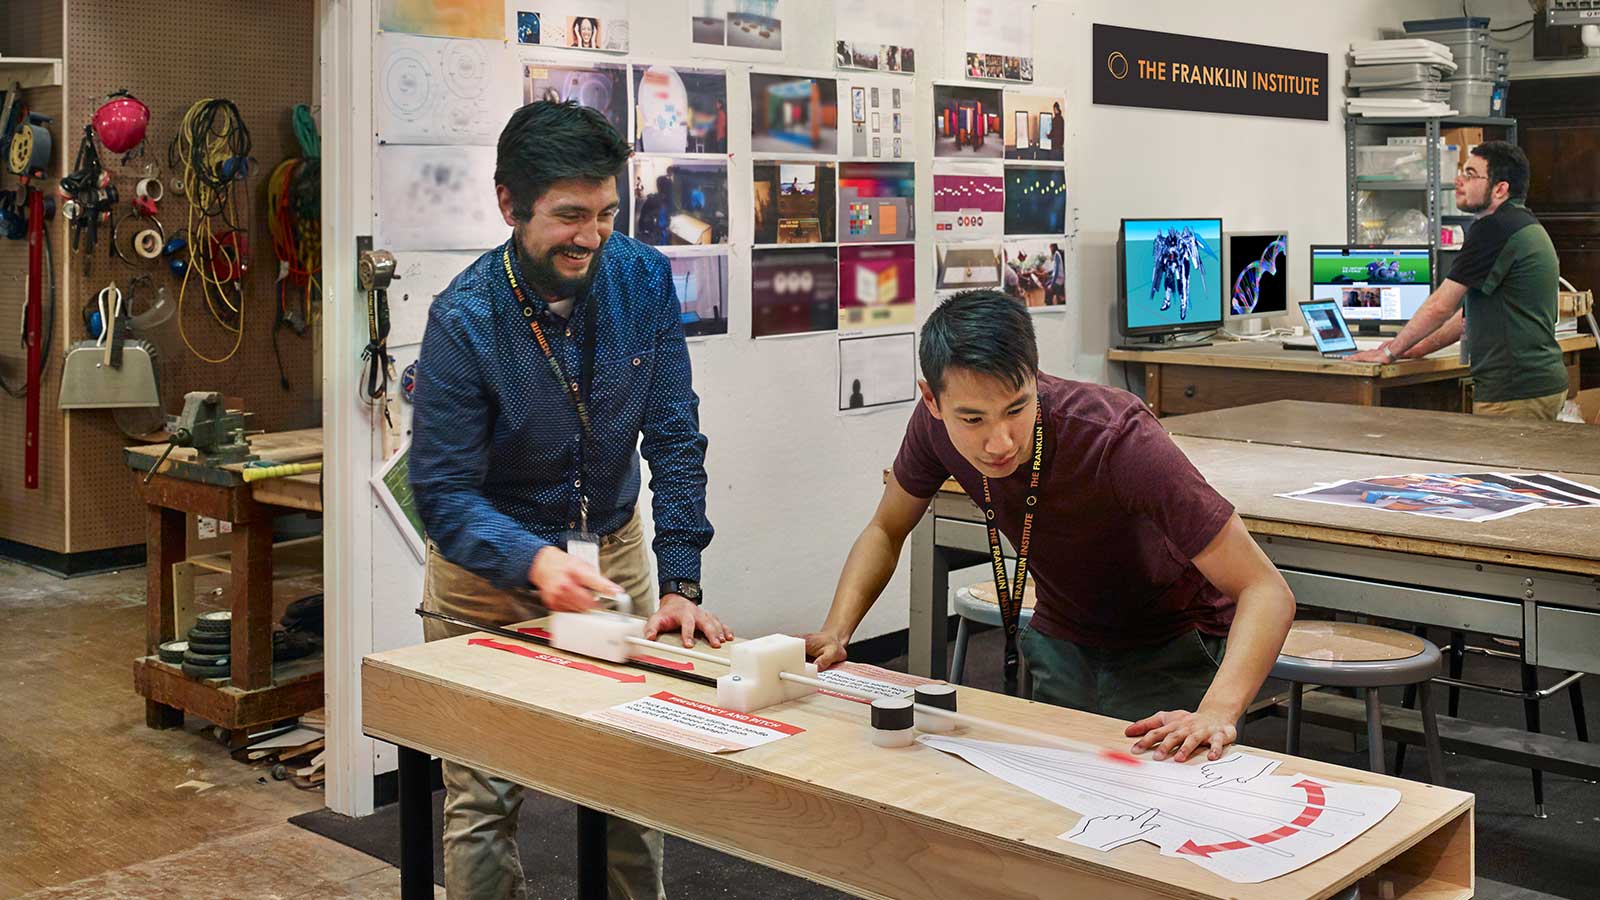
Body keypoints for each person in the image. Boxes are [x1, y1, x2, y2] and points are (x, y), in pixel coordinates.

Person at [411, 100, 730, 900]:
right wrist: (535, 561)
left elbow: (674, 434)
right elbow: (441, 493)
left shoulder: (642, 278)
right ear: (509, 204)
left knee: (631, 776)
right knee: (484, 798)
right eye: (568, 216)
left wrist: (683, 580)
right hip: (486, 575)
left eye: (606, 213)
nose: (591, 236)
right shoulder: (463, 319)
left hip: (612, 553)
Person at [802, 291, 1295, 763]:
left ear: (1035, 378)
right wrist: (837, 629)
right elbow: (886, 529)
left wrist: (1216, 712)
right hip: (1064, 635)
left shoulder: (1116, 439)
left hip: (1171, 640)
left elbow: (1265, 589)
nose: (999, 441)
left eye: (1017, 408)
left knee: (1165, 809)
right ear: (932, 400)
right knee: (1055, 805)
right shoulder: (933, 427)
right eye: (972, 419)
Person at [1347, 141, 1567, 420]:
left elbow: (1442, 305)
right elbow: (1467, 314)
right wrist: (1418, 347)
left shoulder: (1494, 228)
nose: (1458, 180)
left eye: (1471, 174)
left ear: (1500, 188)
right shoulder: (1519, 222)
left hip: (1514, 392)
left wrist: (1388, 352)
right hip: (1536, 384)